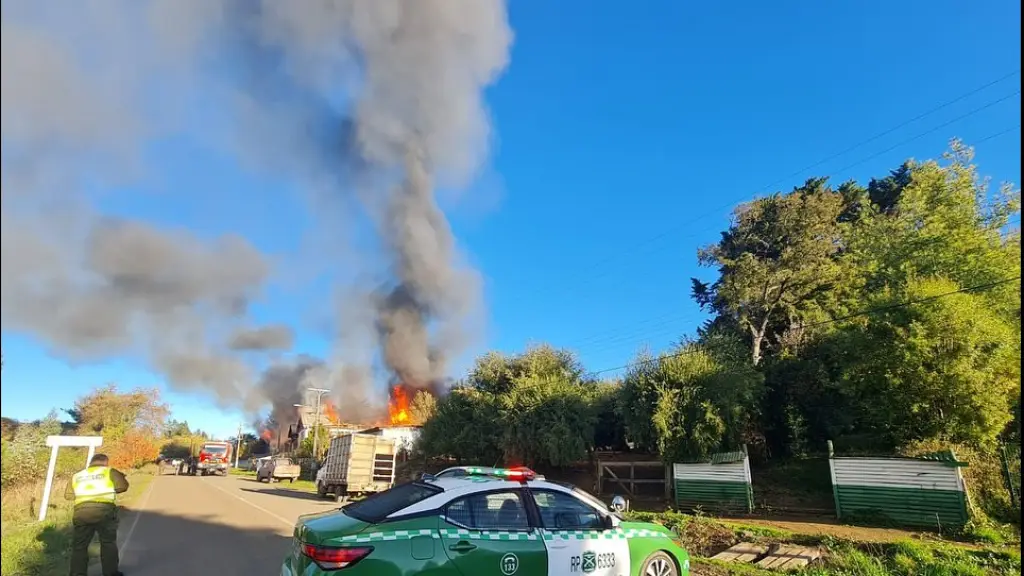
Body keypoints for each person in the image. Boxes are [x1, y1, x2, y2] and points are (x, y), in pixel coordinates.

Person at [65, 453, 129, 576]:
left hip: (81, 512)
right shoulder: (109, 471)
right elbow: (123, 487)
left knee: (80, 546)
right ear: (105, 462)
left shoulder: (77, 475)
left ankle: (77, 573)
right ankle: (110, 573)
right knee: (107, 543)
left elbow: (68, 496)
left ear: (91, 462)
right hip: (104, 511)